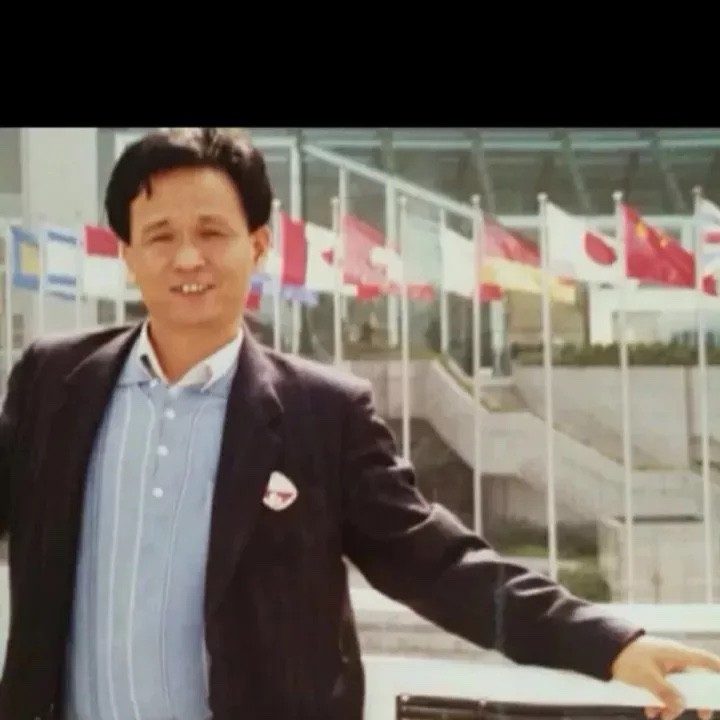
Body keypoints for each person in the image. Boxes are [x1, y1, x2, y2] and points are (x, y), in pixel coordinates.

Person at [0, 127, 717, 720]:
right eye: (159, 236)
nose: (188, 256)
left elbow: (439, 566)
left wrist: (606, 642)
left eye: (212, 231)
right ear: (127, 254)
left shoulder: (322, 413)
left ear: (258, 244)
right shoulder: (55, 384)